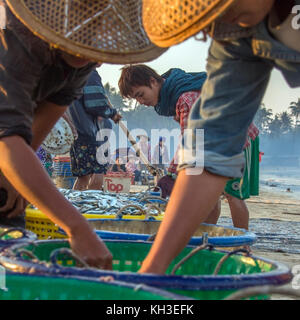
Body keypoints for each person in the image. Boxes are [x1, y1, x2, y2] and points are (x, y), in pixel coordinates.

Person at [138, 0, 300, 274]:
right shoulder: (233, 33)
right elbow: (208, 152)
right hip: (233, 138)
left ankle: (239, 243)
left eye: (214, 9)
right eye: (202, 22)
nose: (208, 31)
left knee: (233, 195)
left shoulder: (186, 96)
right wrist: (154, 266)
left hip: (243, 140)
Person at [0, 0, 164, 269]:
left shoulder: (80, 63)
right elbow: (7, 142)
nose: (95, 56)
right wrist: (77, 226)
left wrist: (14, 184)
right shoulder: (18, 38)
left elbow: (27, 141)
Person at [119, 64, 258, 226]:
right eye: (136, 99)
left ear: (153, 81)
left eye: (141, 95)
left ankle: (243, 247)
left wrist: (171, 176)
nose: (141, 101)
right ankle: (204, 236)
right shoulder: (175, 96)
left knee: (233, 195)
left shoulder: (186, 98)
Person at [69, 69, 121, 191]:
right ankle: (90, 206)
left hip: (77, 135)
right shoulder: (89, 73)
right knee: (98, 173)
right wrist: (112, 113)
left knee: (83, 177)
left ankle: (76, 206)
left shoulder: (72, 73)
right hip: (94, 135)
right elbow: (96, 103)